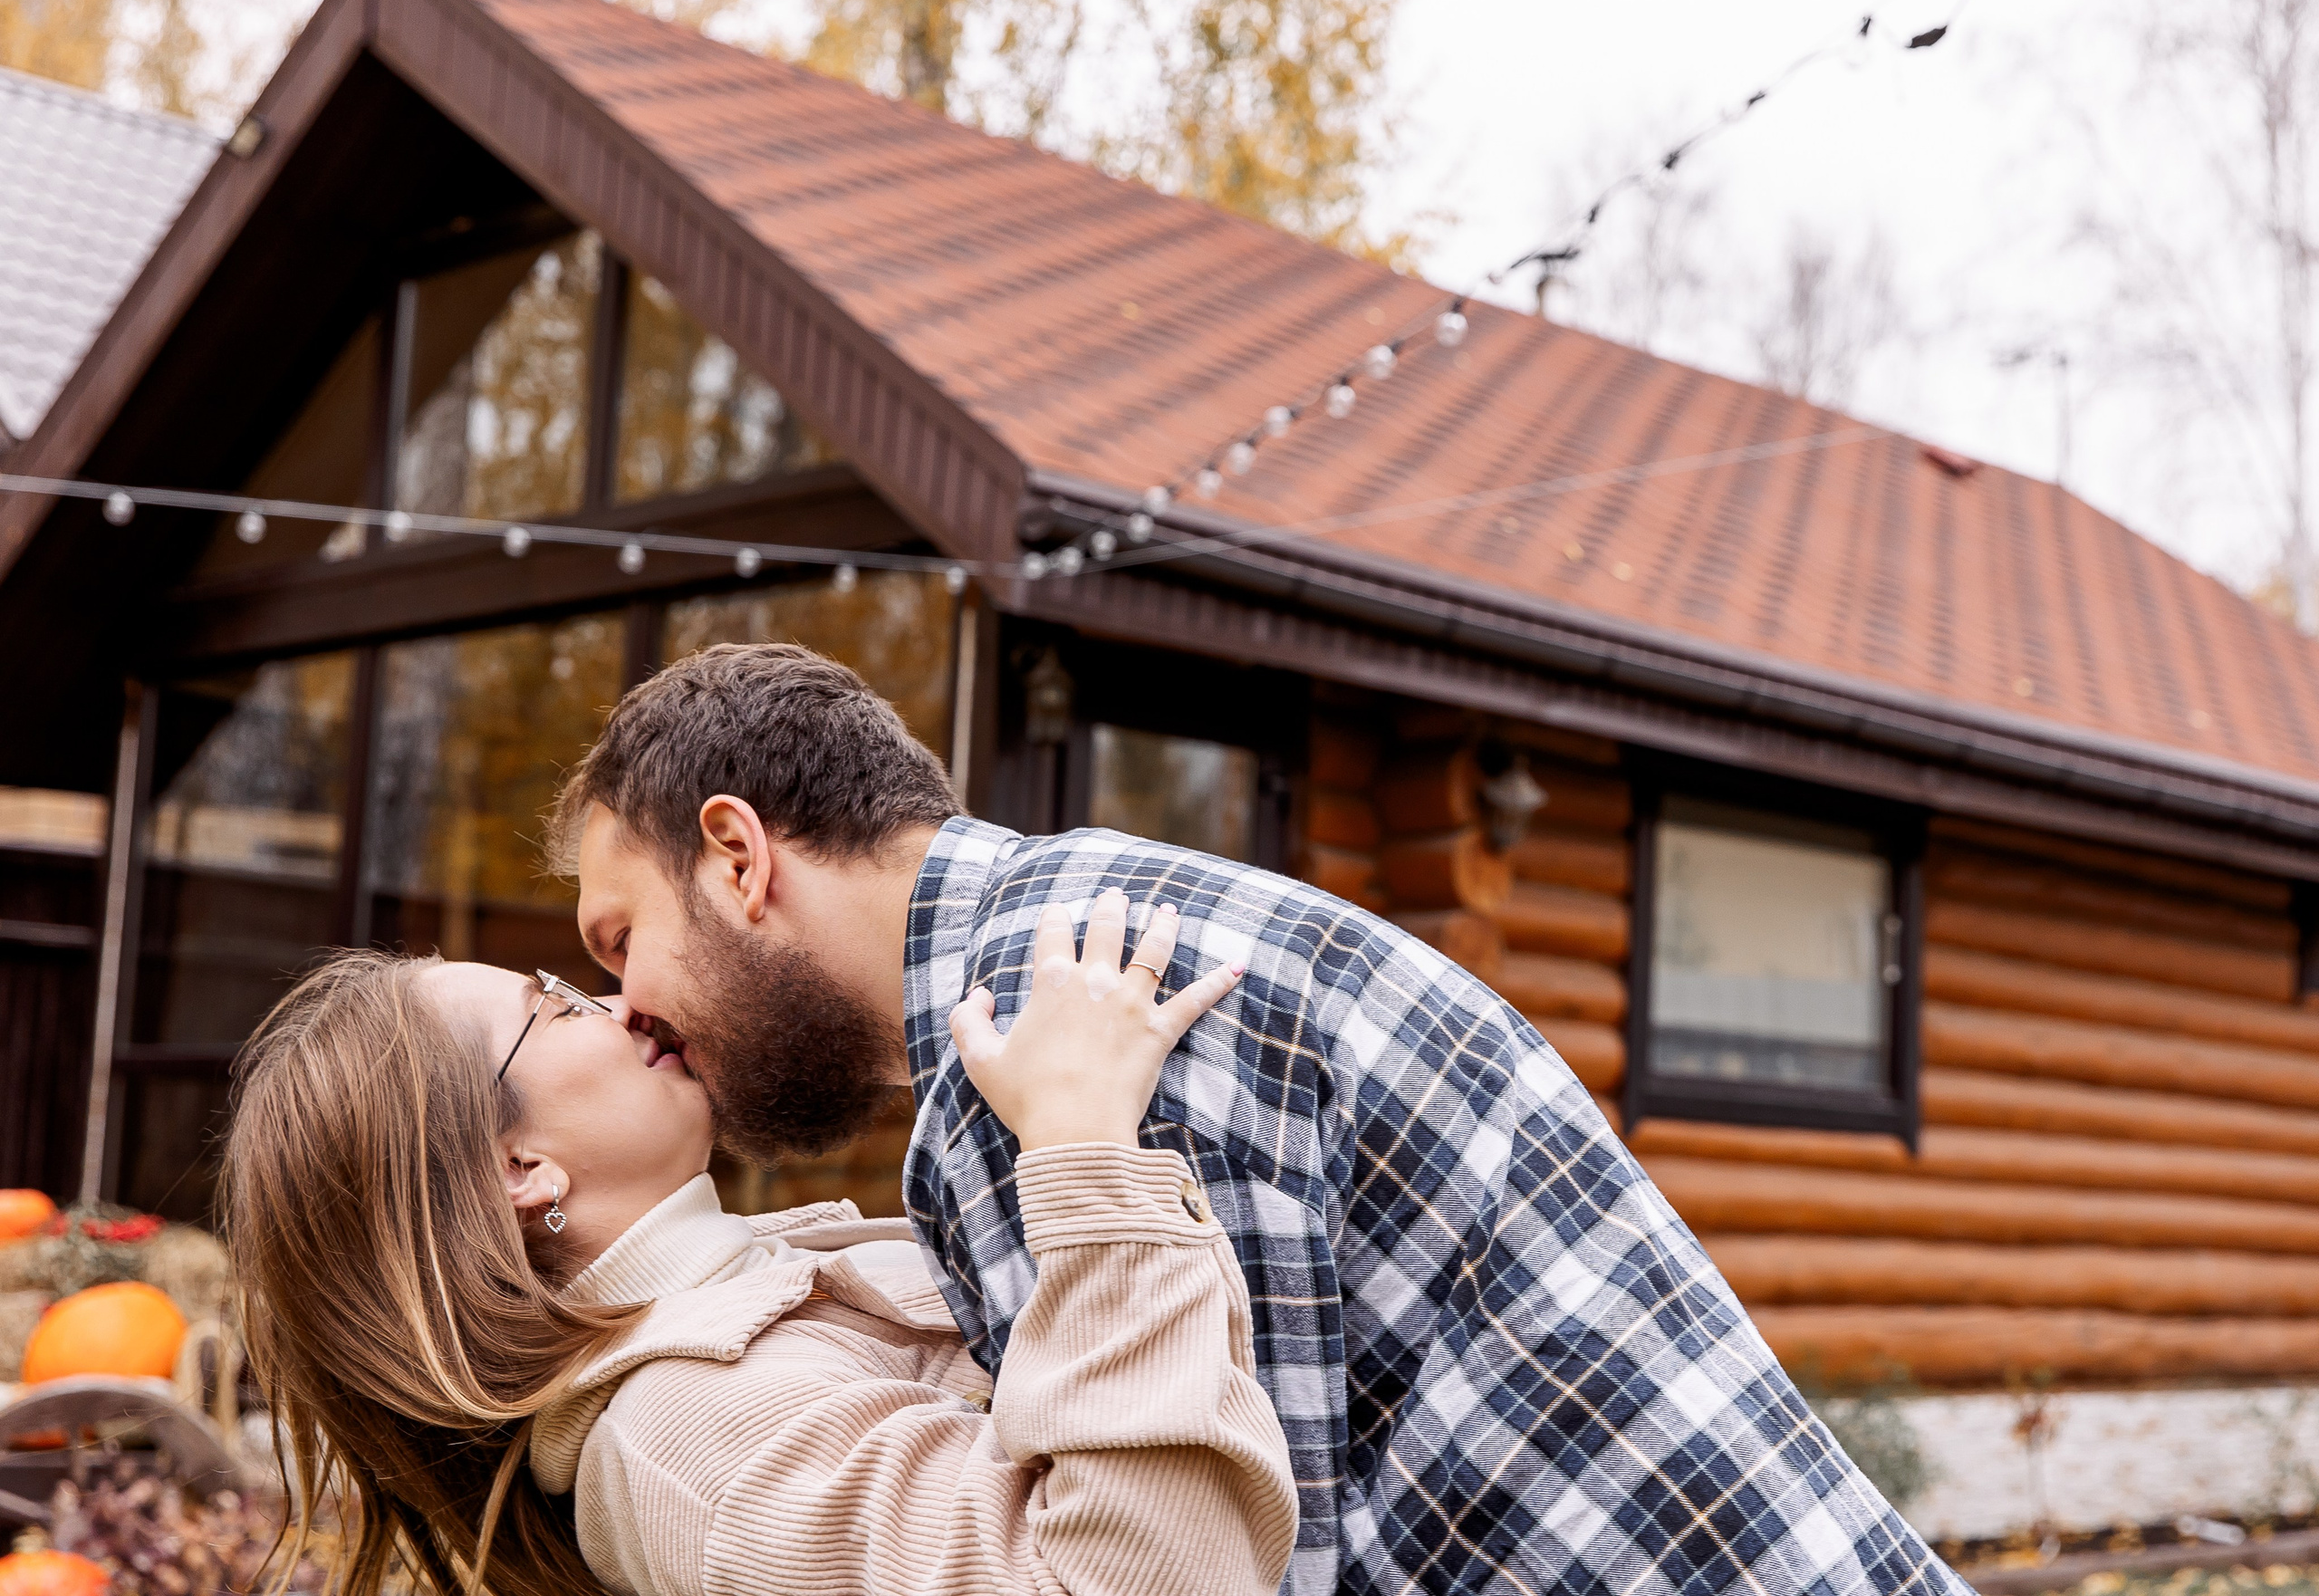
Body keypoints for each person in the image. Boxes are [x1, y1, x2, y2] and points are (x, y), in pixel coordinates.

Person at [557, 641, 1972, 1596]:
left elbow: (1239, 1566)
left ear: (739, 859)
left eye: (622, 939)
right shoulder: (1090, 928)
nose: (625, 1005)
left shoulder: (1044, 1043)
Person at [220, 899, 1294, 1596]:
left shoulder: (743, 1312)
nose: (621, 1003)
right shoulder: (693, 1439)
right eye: (551, 1004)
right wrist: (1086, 1146)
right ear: (518, 1171)